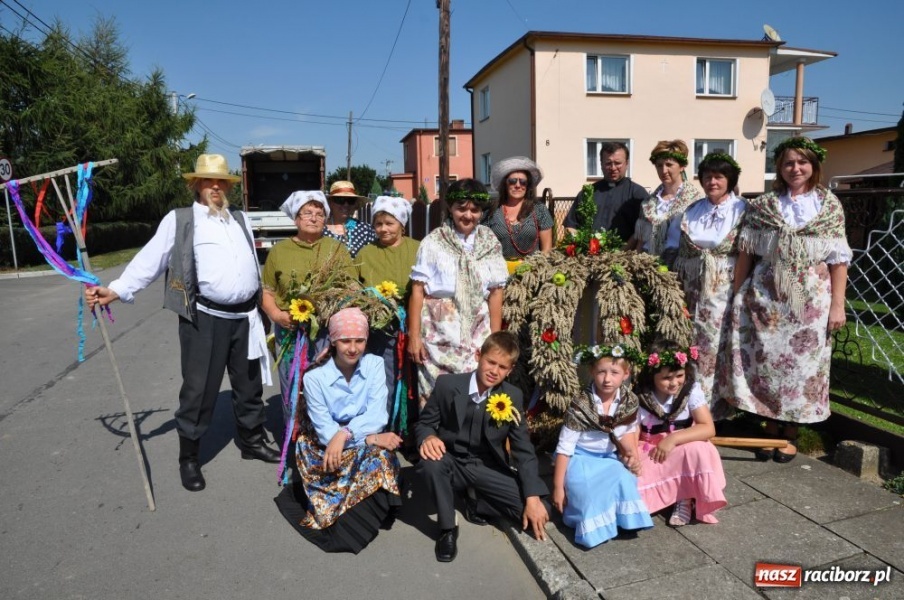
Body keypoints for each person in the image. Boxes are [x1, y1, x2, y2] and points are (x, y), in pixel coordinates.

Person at [84, 154, 279, 492]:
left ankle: (251, 441)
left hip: (246, 317)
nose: (216, 187)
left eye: (221, 182)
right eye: (208, 181)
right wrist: (115, 290)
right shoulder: (180, 219)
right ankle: (189, 457)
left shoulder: (239, 218)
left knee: (249, 386)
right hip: (205, 319)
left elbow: (250, 264)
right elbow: (150, 260)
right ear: (196, 185)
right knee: (199, 390)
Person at [727, 137, 850, 462]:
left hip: (810, 303)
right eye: (788, 163)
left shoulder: (828, 206)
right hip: (767, 299)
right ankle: (770, 429)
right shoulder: (764, 206)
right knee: (769, 363)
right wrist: (738, 294)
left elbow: (839, 261)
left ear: (813, 166)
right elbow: (746, 254)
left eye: (802, 162)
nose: (795, 168)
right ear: (779, 168)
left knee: (802, 368)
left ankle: (791, 432)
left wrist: (838, 304)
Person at [274, 308, 403, 553]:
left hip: (350, 438)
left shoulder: (374, 365)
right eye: (345, 341)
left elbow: (377, 414)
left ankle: (368, 510)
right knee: (365, 458)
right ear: (333, 341)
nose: (353, 348)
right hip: (322, 445)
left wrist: (347, 434)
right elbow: (325, 432)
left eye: (359, 341)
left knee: (383, 458)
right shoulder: (315, 378)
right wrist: (369, 437)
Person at [416, 331, 549, 562]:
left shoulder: (512, 396)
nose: (494, 371)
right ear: (479, 355)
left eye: (502, 367)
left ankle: (477, 501)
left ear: (510, 369)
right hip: (451, 461)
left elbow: (523, 449)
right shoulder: (448, 385)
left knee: (538, 511)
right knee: (430, 463)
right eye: (490, 362)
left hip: (485, 466)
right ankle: (447, 528)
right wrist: (427, 437)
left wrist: (532, 497)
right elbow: (424, 424)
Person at [408, 178, 508, 406]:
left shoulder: (490, 242)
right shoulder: (433, 242)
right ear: (450, 209)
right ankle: (434, 440)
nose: (468, 215)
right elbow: (417, 290)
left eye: (474, 210)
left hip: (476, 328)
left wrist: (495, 338)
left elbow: (495, 293)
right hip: (437, 330)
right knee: (437, 395)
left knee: (477, 392)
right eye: (461, 208)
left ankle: (471, 441)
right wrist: (414, 337)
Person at [261, 191, 356, 423]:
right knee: (293, 386)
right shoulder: (279, 251)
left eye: (319, 213)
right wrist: (276, 314)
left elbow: (352, 286)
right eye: (307, 213)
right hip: (290, 331)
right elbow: (267, 291)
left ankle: (326, 442)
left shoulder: (336, 249)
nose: (314, 218)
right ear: (296, 218)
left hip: (327, 332)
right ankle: (295, 440)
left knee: (328, 386)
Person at [551, 344, 653, 548]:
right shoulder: (581, 404)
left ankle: (621, 521)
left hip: (609, 458)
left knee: (624, 478)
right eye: (601, 372)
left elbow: (628, 432)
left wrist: (630, 455)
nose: (607, 379)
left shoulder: (628, 400)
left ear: (626, 374)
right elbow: (565, 448)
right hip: (580, 458)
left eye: (614, 372)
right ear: (591, 372)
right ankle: (593, 526)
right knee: (587, 491)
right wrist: (557, 487)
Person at [674, 153, 746, 412]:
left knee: (715, 348)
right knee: (689, 344)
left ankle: (714, 408)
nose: (712, 182)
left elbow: (748, 254)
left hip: (723, 289)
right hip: (691, 288)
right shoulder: (694, 210)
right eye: (707, 177)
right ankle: (688, 405)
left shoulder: (742, 210)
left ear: (730, 180)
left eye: (718, 177)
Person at [634, 342, 726, 527]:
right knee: (632, 477)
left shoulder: (690, 391)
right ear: (652, 375)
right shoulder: (641, 396)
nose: (675, 382)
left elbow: (708, 428)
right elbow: (633, 435)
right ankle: (666, 496)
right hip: (651, 449)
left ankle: (684, 497)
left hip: (683, 447)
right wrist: (632, 458)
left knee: (699, 449)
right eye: (667, 377)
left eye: (679, 375)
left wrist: (673, 438)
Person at [356, 195, 420, 428]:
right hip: (379, 327)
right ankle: (387, 427)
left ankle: (411, 427)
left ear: (402, 224)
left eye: (389, 223)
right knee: (385, 377)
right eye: (378, 224)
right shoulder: (366, 253)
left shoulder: (417, 248)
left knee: (412, 376)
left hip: (413, 323)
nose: (383, 229)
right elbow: (356, 287)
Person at [625, 140, 701, 266]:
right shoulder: (649, 203)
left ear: (681, 166)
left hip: (677, 266)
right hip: (648, 266)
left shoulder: (694, 200)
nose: (664, 170)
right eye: (659, 165)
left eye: (669, 164)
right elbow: (641, 240)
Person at [563, 141, 648, 241]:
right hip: (588, 254)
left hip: (625, 253)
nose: (613, 168)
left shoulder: (637, 194)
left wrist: (622, 252)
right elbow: (571, 226)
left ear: (627, 163)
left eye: (617, 163)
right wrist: (581, 244)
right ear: (601, 164)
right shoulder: (588, 193)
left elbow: (642, 230)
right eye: (608, 163)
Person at [483, 156, 553, 267]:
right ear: (505, 184)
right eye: (512, 181)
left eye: (523, 182)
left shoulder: (539, 209)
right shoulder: (492, 211)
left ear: (528, 185)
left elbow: (547, 250)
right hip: (499, 275)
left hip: (532, 274)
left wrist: (534, 271)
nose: (518, 185)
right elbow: (482, 248)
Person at [323, 180, 377, 258]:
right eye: (340, 200)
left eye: (350, 201)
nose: (346, 204)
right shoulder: (320, 230)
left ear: (355, 204)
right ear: (330, 203)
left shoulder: (366, 230)